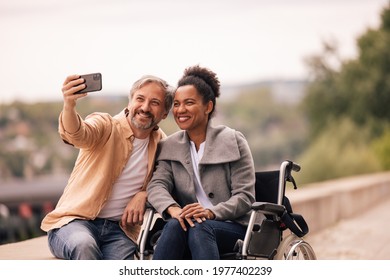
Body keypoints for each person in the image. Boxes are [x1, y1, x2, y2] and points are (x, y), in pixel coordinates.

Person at [41, 74, 174, 260]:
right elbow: (77, 134)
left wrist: (144, 194)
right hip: (74, 223)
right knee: (84, 246)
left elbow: (166, 184)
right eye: (140, 99)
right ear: (130, 102)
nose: (145, 108)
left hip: (118, 232)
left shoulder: (162, 144)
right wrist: (69, 105)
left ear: (165, 113)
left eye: (154, 103)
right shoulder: (105, 125)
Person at [146, 65, 256, 259]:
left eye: (189, 103)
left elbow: (244, 197)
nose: (180, 110)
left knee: (200, 228)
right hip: (187, 224)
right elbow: (157, 185)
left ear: (208, 106)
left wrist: (210, 212)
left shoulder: (233, 140)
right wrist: (174, 209)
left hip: (232, 227)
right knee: (174, 224)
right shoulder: (169, 146)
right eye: (177, 104)